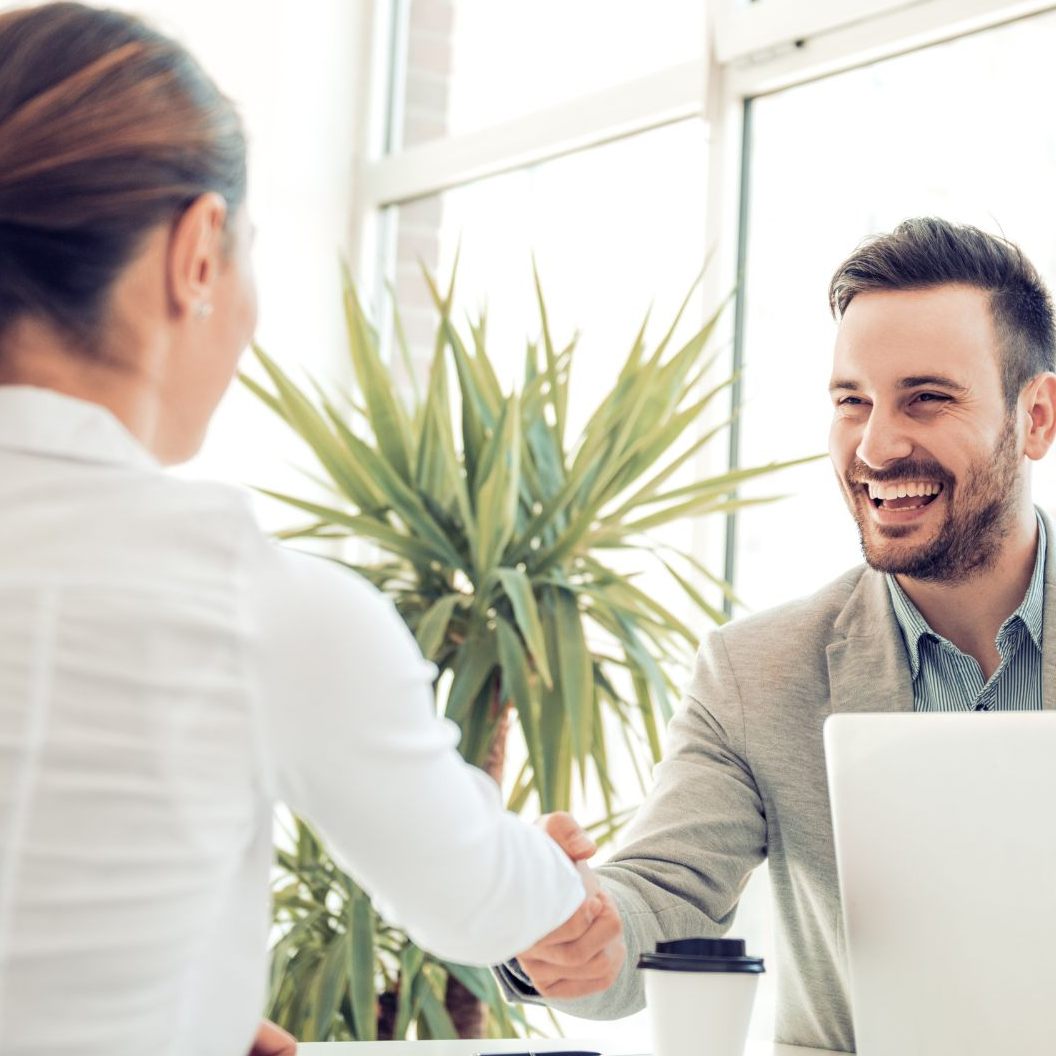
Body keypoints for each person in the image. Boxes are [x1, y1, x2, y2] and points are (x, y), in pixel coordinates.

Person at [0, 5, 598, 1055]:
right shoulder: (247, 601)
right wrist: (553, 884)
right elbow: (477, 898)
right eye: (249, 255)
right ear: (198, 252)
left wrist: (196, 1012)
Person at [496, 218, 1056, 1053]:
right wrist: (567, 929)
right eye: (850, 401)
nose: (874, 445)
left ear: (1037, 417)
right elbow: (661, 899)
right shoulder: (757, 672)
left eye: (926, 398)